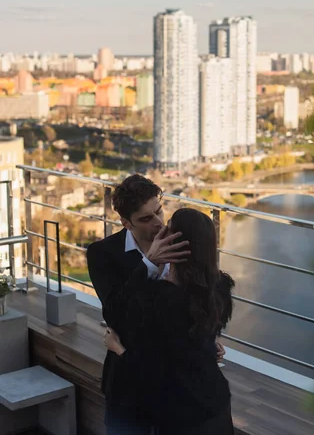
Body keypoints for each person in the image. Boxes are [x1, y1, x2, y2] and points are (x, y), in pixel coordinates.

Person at [87, 174, 225, 434]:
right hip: (129, 387)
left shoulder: (181, 241)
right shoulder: (102, 254)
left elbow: (197, 304)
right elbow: (116, 315)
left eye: (159, 211)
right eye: (146, 218)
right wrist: (148, 264)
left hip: (179, 390)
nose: (158, 222)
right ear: (126, 222)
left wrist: (203, 340)